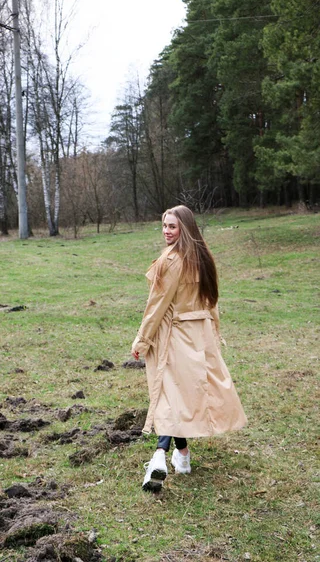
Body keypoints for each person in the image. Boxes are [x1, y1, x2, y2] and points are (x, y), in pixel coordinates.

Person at [131, 205, 247, 492]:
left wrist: (142, 339)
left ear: (185, 228)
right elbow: (212, 300)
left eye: (172, 226)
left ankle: (160, 455)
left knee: (168, 395)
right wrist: (214, 332)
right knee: (182, 396)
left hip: (174, 335)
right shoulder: (203, 256)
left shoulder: (171, 260)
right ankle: (181, 455)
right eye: (164, 226)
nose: (166, 231)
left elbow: (156, 305)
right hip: (199, 335)